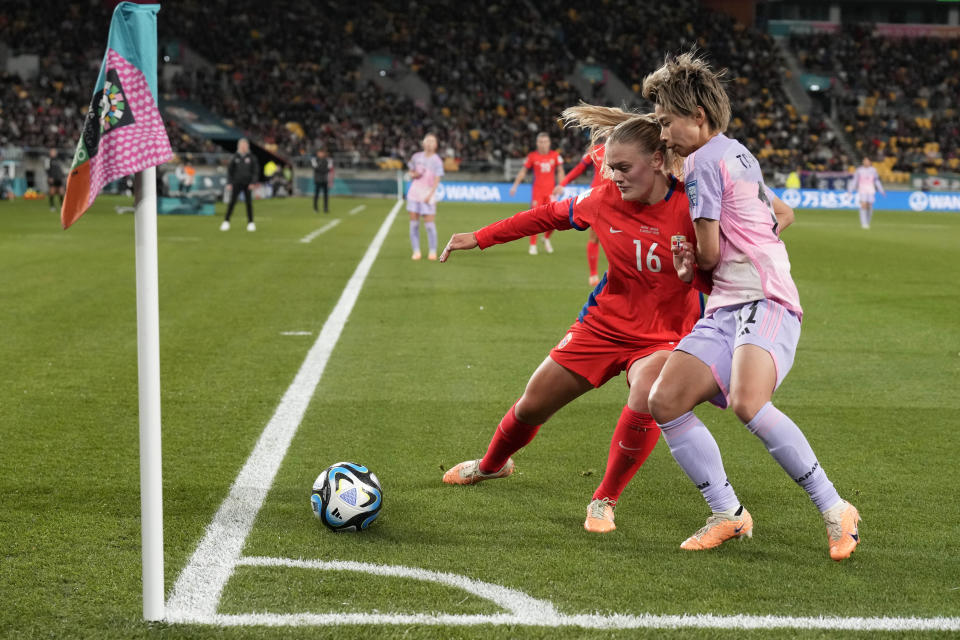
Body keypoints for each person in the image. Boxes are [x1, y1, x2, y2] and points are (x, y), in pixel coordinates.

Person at [439, 106, 713, 533]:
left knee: (646, 393)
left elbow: (737, 255)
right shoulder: (603, 199)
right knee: (532, 404)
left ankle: (604, 499)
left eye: (623, 168)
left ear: (657, 161)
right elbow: (546, 215)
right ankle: (492, 465)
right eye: (610, 168)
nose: (615, 177)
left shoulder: (693, 207)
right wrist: (480, 237)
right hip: (602, 326)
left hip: (663, 336)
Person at [642, 51, 860, 561]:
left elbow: (711, 253)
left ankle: (835, 508)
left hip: (764, 299)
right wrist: (757, 243)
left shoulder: (700, 163)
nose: (663, 132)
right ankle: (728, 515)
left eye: (667, 120)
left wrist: (693, 261)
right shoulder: (735, 152)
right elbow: (780, 213)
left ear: (696, 117)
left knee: (747, 402)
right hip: (730, 303)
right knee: (665, 399)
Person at [554, 141, 607, 285]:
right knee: (594, 237)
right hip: (597, 198)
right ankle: (593, 275)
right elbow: (579, 169)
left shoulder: (627, 148)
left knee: (620, 237)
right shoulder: (595, 150)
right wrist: (562, 183)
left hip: (619, 198)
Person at [509, 132, 565, 255]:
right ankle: (533, 245)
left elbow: (560, 171)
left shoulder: (555, 156)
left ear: (549, 143)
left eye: (545, 142)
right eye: (541, 142)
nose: (543, 144)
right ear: (537, 143)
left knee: (556, 219)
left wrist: (561, 184)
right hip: (537, 193)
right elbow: (523, 171)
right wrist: (515, 186)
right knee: (534, 219)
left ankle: (545, 238)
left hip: (551, 193)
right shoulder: (532, 156)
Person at [406, 133, 444, 261]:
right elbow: (410, 171)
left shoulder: (437, 160)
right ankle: (416, 251)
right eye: (427, 141)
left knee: (429, 225)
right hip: (414, 194)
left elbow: (437, 179)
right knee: (414, 225)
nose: (429, 143)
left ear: (436, 145)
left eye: (432, 141)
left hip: (428, 194)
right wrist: (413, 174)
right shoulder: (416, 157)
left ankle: (432, 251)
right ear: (423, 143)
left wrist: (431, 194)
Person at [221, 138, 260, 232]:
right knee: (232, 203)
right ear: (239, 146)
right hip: (236, 183)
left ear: (247, 146)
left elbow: (255, 171)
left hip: (248, 184)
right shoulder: (235, 157)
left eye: (245, 145)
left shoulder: (252, 157)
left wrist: (253, 182)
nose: (243, 147)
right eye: (241, 145)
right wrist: (229, 182)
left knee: (249, 204)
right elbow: (230, 171)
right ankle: (226, 221)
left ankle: (250, 223)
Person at [847, 157, 885, 229]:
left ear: (870, 162)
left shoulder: (873, 170)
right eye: (865, 161)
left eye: (867, 161)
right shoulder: (859, 170)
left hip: (870, 189)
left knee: (869, 206)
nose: (866, 162)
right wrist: (850, 190)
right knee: (863, 205)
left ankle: (867, 221)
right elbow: (854, 180)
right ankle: (863, 223)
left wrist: (881, 190)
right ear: (863, 162)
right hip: (862, 189)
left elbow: (876, 181)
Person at [311, 148, 334, 213]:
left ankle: (325, 208)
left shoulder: (327, 160)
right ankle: (315, 208)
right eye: (319, 152)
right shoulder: (314, 160)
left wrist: (321, 169)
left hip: (325, 179)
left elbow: (329, 169)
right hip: (318, 179)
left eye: (322, 152)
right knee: (316, 195)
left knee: (325, 195)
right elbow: (316, 168)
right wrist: (323, 169)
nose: (321, 154)